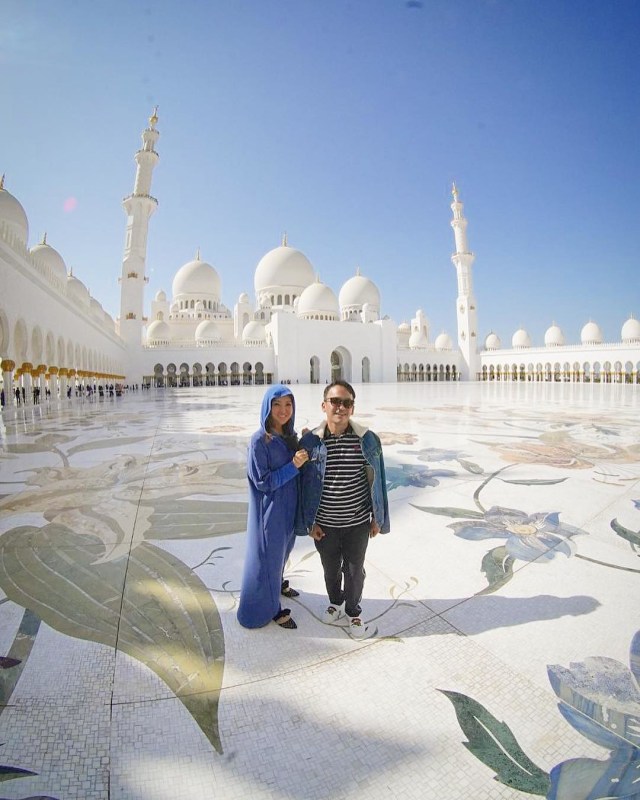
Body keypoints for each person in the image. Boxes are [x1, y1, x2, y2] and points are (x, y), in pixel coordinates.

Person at [298, 380, 390, 639]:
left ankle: (353, 609)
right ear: (324, 405)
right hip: (324, 525)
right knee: (330, 569)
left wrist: (377, 518)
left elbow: (378, 481)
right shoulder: (310, 441)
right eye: (335, 401)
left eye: (346, 403)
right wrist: (310, 523)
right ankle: (335, 601)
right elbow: (303, 486)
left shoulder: (367, 440)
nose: (340, 407)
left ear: (352, 408)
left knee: (354, 571)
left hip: (357, 523)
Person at [237, 385, 309, 630]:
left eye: (288, 404)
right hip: (271, 512)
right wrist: (293, 466)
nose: (283, 410)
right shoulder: (259, 440)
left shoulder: (289, 437)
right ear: (267, 407)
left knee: (282, 553)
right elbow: (263, 482)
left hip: (289, 509)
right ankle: (267, 609)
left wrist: (305, 442)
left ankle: (276, 584)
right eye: (276, 404)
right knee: (267, 558)